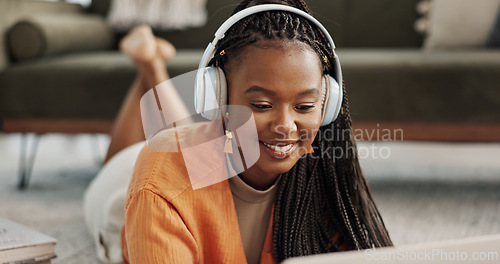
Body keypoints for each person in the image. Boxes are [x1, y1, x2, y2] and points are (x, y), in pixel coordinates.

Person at [85, 0, 393, 263]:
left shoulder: (324, 173)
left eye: (304, 106)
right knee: (140, 154)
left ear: (328, 104)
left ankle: (152, 66)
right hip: (121, 188)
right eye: (261, 104)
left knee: (188, 136)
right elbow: (162, 172)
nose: (285, 126)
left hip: (209, 146)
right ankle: (150, 66)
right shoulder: (159, 179)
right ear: (217, 97)